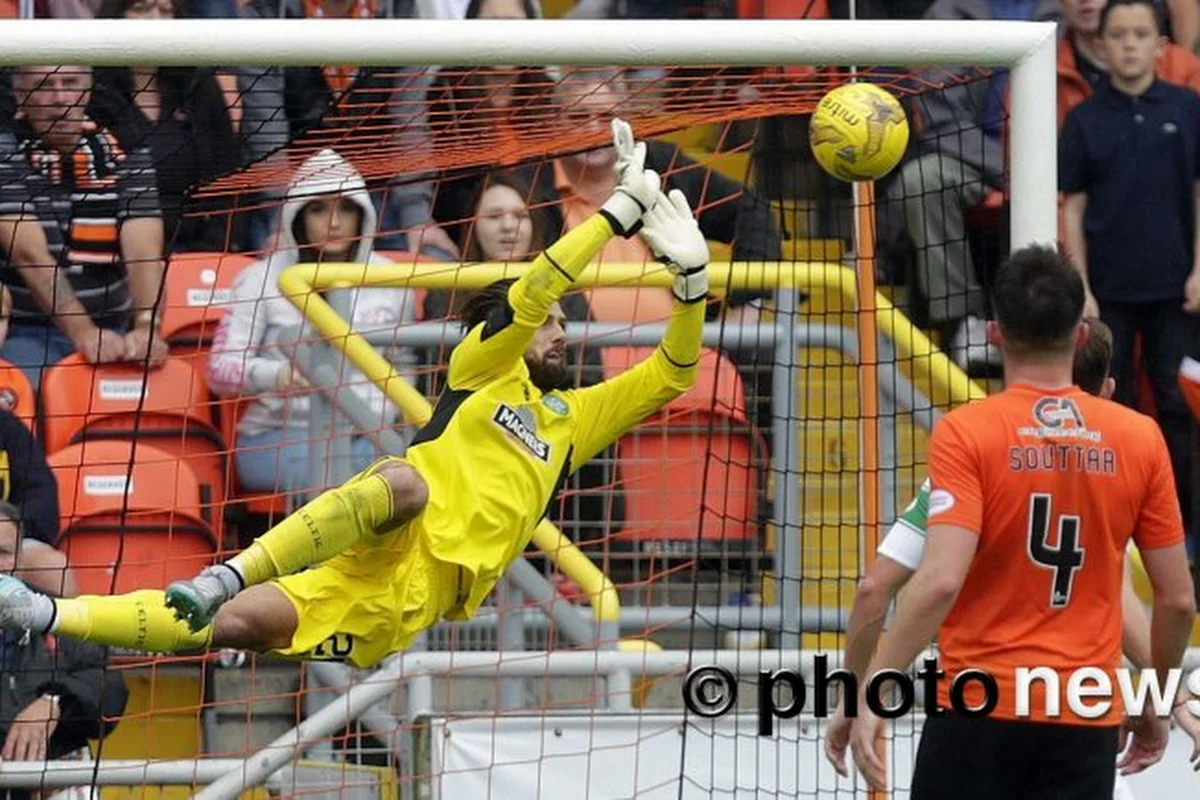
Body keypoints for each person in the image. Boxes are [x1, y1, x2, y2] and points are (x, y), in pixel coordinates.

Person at [0, 119, 709, 670]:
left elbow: (671, 375)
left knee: (235, 626)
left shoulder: (573, 417)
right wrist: (614, 215)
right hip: (398, 517)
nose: (560, 335)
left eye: (562, 328)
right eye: (548, 326)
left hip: (398, 603)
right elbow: (532, 293)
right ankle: (211, 575)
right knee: (405, 480)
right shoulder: (481, 367)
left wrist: (691, 288)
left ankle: (48, 616)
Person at [845, 245, 1196, 796]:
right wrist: (1155, 697)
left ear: (994, 333)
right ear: (1081, 335)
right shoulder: (1140, 437)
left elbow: (937, 581)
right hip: (1084, 711)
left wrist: (872, 690)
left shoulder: (968, 432)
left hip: (977, 704)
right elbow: (1177, 601)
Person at [1061, 0, 1200, 563]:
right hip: (1109, 293)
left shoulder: (1189, 108)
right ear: (1103, 43)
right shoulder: (1085, 120)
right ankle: (1107, 528)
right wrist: (1084, 288)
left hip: (1176, 292)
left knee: (1179, 408)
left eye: (1141, 33)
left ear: (1162, 44)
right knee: (1103, 413)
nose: (1129, 44)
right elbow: (1072, 209)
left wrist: (1199, 269)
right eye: (1119, 34)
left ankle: (1184, 533)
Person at [207, 147, 417, 495]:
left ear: (363, 215)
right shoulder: (258, 278)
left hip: (370, 436)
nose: (333, 222)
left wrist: (378, 417)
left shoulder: (392, 279)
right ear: (297, 216)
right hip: (276, 439)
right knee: (358, 479)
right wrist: (276, 375)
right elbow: (218, 369)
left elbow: (405, 366)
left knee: (403, 472)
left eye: (345, 209)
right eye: (319, 209)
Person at [0, 65, 168, 390]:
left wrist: (148, 325)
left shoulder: (126, 149)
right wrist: (83, 332)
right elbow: (30, 256)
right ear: (20, 95)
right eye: (45, 86)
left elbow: (144, 249)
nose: (61, 97)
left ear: (88, 91)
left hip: (117, 326)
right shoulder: (5, 153)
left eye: (71, 83)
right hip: (29, 329)